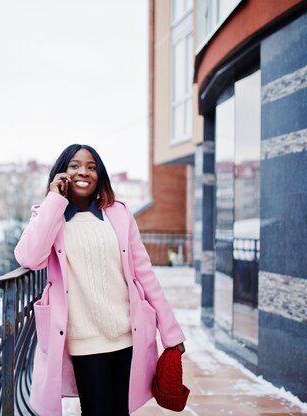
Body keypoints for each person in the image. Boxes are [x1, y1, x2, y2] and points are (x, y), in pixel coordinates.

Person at [14, 144, 186, 416]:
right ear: (62, 173)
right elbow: (28, 257)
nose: (84, 172)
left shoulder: (118, 214)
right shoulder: (49, 216)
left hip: (128, 334)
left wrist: (171, 331)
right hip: (84, 339)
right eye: (75, 165)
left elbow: (145, 274)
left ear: (100, 175)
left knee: (120, 411)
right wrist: (54, 201)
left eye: (91, 166)